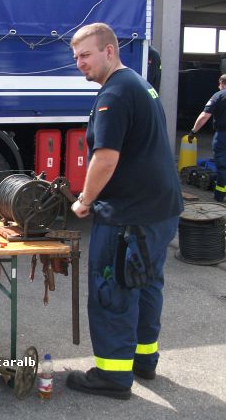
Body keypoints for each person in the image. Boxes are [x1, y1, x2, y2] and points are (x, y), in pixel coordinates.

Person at [68, 23, 183, 399]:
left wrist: (84, 201)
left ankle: (113, 376)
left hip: (129, 215)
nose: (79, 63)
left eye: (86, 55)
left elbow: (105, 159)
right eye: (76, 57)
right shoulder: (138, 84)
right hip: (159, 209)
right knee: (146, 282)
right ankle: (144, 360)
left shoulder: (114, 94)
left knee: (113, 286)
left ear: (109, 51)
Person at [188, 74, 226, 202]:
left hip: (223, 136)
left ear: (223, 84)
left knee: (222, 166)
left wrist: (193, 131)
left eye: (219, 84)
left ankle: (220, 197)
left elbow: (204, 116)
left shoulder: (219, 96)